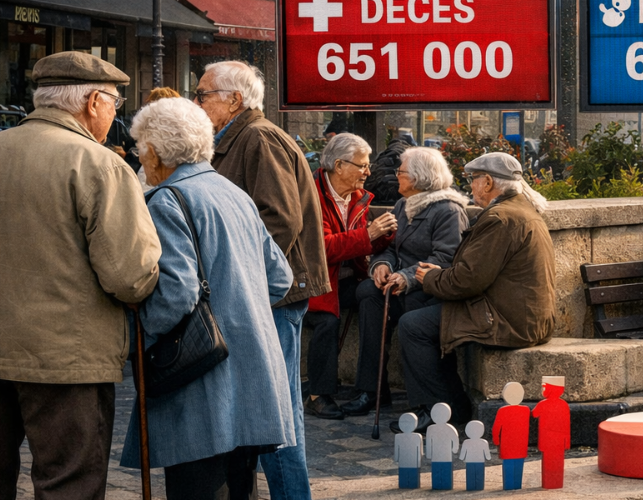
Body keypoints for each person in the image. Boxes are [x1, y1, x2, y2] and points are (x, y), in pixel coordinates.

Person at [0, 52, 161, 500]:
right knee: (69, 485)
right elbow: (130, 277)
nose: (113, 115)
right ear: (92, 103)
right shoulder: (100, 165)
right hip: (66, 362)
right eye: (115, 105)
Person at [121, 98, 295, 500]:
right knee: (240, 487)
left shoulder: (168, 199)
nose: (140, 158)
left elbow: (177, 291)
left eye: (140, 148)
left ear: (156, 151)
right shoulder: (232, 193)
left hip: (201, 378)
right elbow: (279, 279)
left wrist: (138, 337)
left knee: (198, 487)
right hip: (253, 373)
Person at [193, 60, 327, 499]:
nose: (197, 102)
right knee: (272, 410)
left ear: (234, 99)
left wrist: (242, 279)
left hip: (273, 295)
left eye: (203, 94)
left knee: (277, 411)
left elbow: (279, 220)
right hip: (268, 294)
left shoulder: (258, 137)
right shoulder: (241, 137)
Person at [404, 152, 555, 432]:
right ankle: (450, 403)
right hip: (522, 315)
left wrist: (430, 276)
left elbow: (468, 280)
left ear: (487, 182)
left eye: (473, 180)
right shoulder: (519, 210)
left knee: (412, 325)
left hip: (509, 321)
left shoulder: (500, 218)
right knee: (421, 308)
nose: (470, 186)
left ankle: (439, 409)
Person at [347, 147, 468, 419]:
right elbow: (390, 246)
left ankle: (427, 404)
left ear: (418, 177)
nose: (396, 176)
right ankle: (372, 389)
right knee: (367, 292)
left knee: (412, 316)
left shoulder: (448, 210)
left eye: (400, 172)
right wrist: (382, 266)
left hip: (427, 291)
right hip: (397, 285)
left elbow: (445, 258)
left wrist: (407, 276)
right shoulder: (404, 205)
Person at [305, 133, 397, 420]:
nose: (368, 172)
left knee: (374, 295)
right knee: (326, 320)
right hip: (310, 279)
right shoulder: (310, 194)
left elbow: (362, 244)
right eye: (362, 165)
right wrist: (369, 234)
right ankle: (318, 395)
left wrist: (383, 236)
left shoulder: (357, 196)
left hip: (345, 278)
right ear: (339, 165)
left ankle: (372, 389)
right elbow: (324, 248)